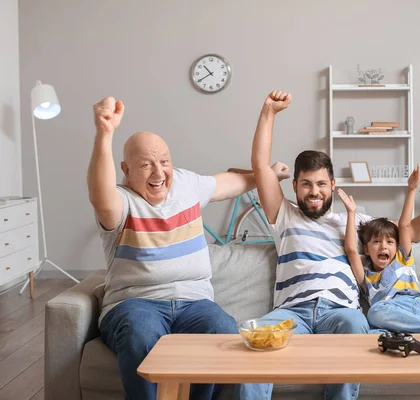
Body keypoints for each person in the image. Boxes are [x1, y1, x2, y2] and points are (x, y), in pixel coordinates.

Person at [247, 91, 420, 400]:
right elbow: (261, 166)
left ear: (333, 187)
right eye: (306, 184)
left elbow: (412, 232)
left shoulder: (355, 223)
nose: (314, 192)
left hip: (340, 312)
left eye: (321, 184)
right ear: (294, 186)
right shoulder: (284, 215)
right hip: (292, 312)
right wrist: (268, 113)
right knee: (254, 346)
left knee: (357, 326)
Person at [87, 96, 289, 400]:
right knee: (141, 333)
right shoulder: (120, 201)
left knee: (222, 329)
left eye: (164, 161)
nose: (158, 173)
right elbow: (99, 196)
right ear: (125, 170)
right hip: (136, 304)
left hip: (194, 303)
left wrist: (268, 174)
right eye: (145, 165)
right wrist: (105, 134)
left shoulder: (186, 184)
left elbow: (230, 182)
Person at [337, 166, 420, 334]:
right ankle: (415, 336)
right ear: (366, 249)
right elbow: (351, 251)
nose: (383, 246)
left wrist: (411, 189)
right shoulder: (366, 280)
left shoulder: (402, 259)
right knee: (369, 335)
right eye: (377, 242)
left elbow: (404, 225)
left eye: (389, 242)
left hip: (414, 305)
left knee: (374, 312)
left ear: (397, 247)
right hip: (392, 322)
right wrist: (351, 212)